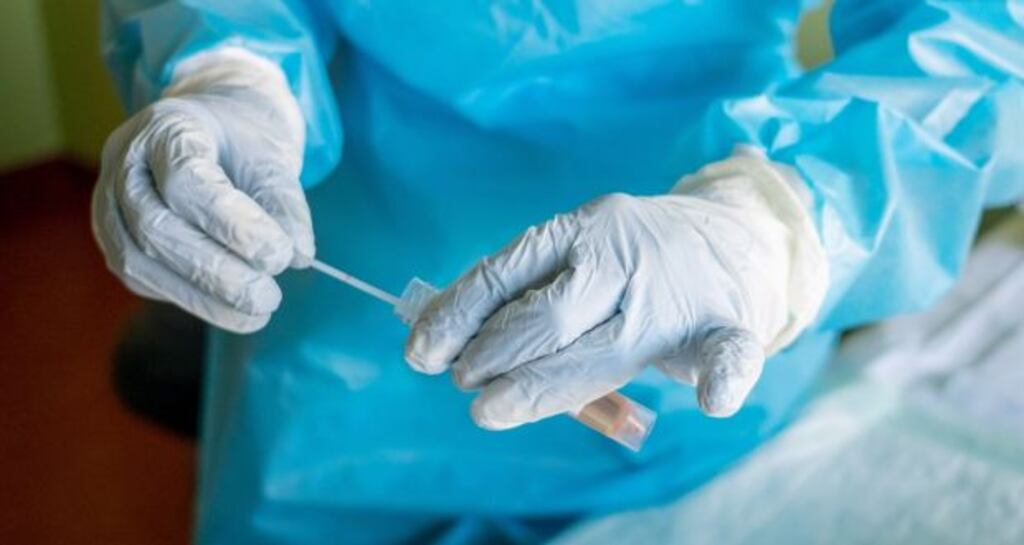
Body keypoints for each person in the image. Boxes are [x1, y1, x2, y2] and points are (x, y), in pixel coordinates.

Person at [93, 1, 1024, 544]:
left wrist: (780, 226)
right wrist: (226, 66)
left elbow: (984, 33)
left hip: (691, 331)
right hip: (331, 398)